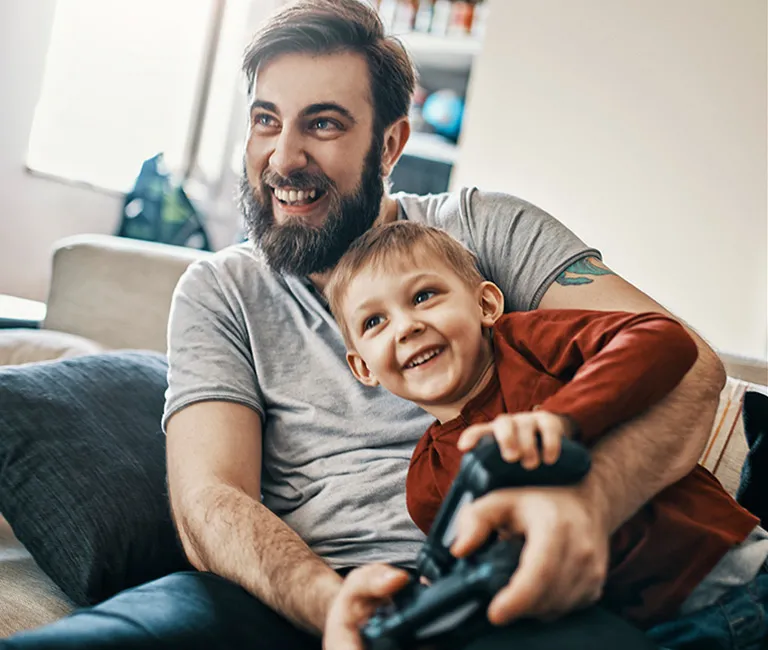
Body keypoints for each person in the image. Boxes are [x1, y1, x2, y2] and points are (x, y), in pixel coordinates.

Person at [0, 0, 747, 649]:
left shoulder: (486, 230)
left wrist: (591, 504)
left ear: (390, 143)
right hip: (292, 594)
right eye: (266, 120)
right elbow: (211, 502)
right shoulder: (221, 290)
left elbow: (691, 368)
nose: (283, 158)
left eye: (322, 124)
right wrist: (330, 604)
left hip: (493, 591)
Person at [323, 220, 768, 647]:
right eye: (374, 323)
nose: (406, 327)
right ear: (363, 367)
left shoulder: (525, 343)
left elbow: (663, 338)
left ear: (486, 306)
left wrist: (561, 419)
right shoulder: (426, 483)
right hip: (642, 628)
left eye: (424, 296)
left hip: (733, 572)